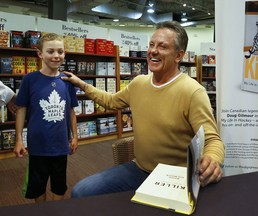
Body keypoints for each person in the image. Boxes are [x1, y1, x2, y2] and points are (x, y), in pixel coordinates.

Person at [62, 21, 225, 198]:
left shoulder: (192, 91)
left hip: (176, 177)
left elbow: (213, 140)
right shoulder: (139, 83)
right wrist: (82, 85)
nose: (153, 51)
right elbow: (110, 101)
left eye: (162, 46)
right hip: (140, 170)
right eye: (151, 45)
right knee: (80, 191)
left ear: (179, 55)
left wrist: (212, 160)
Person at [13, 33, 79, 203]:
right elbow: (21, 110)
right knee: (38, 185)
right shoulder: (29, 79)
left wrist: (75, 136)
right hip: (37, 145)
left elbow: (71, 110)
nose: (56, 56)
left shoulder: (68, 80)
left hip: (60, 144)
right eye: (50, 51)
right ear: (40, 53)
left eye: (60, 51)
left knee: (59, 184)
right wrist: (19, 139)